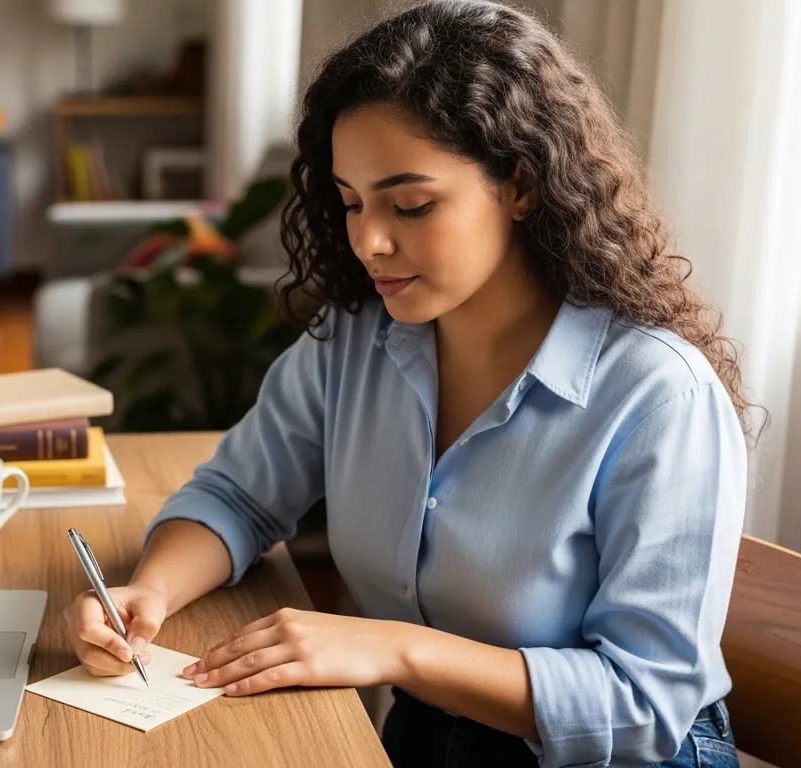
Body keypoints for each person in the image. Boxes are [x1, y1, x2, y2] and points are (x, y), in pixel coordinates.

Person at [63, 1, 750, 766]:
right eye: (351, 203)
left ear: (521, 185)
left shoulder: (660, 397)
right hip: (428, 732)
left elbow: (644, 705)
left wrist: (395, 649)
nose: (368, 240)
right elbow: (239, 495)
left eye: (411, 205)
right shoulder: (356, 341)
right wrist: (149, 592)